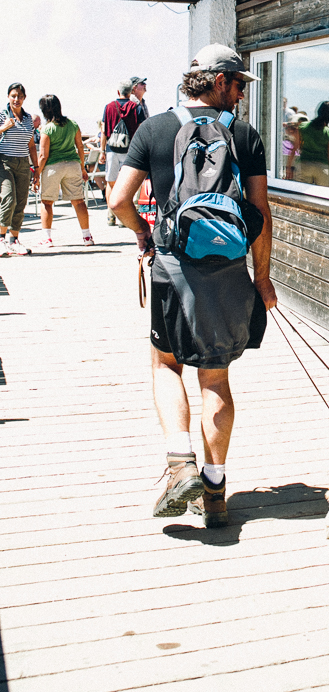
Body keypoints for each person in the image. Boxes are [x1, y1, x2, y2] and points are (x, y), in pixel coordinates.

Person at [110, 44, 277, 527]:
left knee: (166, 364)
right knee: (216, 378)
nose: (243, 94)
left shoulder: (155, 128)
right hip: (227, 273)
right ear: (219, 80)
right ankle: (216, 491)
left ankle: (179, 462)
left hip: (171, 265)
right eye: (240, 83)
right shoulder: (244, 136)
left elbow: (119, 198)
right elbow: (262, 215)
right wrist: (261, 278)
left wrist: (143, 232)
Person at [36, 95, 94, 249]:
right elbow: (80, 147)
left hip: (53, 167)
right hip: (73, 164)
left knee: (47, 202)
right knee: (78, 201)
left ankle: (47, 238)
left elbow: (43, 155)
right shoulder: (73, 124)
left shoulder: (47, 128)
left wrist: (36, 173)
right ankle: (87, 236)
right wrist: (82, 167)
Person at [0, 83, 39, 256]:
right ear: (8, 96)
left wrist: (36, 167)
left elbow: (31, 145)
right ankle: (1, 239)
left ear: (24, 98)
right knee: (9, 198)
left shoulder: (28, 118)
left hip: (23, 162)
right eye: (13, 96)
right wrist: (4, 127)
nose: (16, 99)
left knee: (21, 201)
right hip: (4, 162)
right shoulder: (2, 115)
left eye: (20, 96)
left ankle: (14, 239)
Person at [100, 82, 140, 226]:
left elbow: (104, 131)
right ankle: (124, 217)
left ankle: (111, 215)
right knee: (126, 184)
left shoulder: (109, 107)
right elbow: (140, 130)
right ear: (131, 92)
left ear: (118, 92)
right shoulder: (135, 107)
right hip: (129, 150)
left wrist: (101, 151)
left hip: (112, 149)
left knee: (111, 184)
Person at [294, 100, 329, 186]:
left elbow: (296, 146)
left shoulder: (303, 126)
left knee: (301, 194)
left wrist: (289, 166)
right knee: (323, 196)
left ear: (318, 111)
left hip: (304, 164)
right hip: (322, 167)